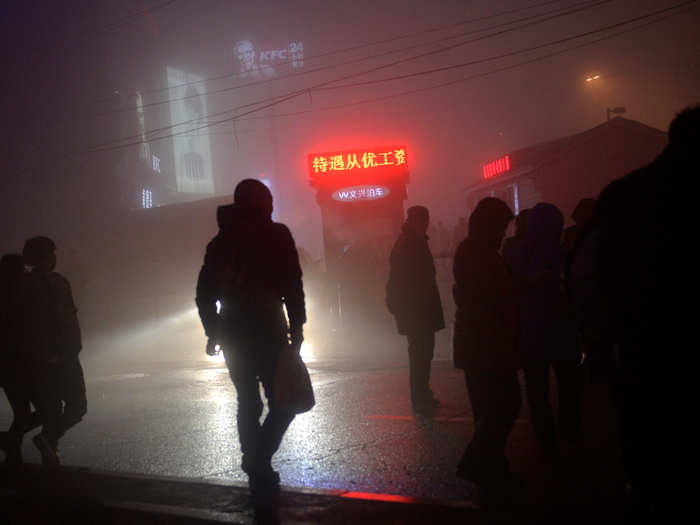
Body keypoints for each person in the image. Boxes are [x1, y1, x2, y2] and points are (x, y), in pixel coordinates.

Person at [591, 106, 698, 508]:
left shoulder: (623, 195)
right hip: (649, 335)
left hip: (637, 340)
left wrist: (599, 342)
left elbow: (599, 279)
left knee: (647, 440)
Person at [196, 179, 306, 512]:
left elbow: (204, 293)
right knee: (284, 402)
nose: (272, 204)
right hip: (269, 330)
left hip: (232, 333)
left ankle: (255, 462)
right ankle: (258, 459)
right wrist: (298, 325)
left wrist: (212, 331)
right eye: (268, 199)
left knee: (248, 400)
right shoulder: (277, 235)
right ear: (259, 202)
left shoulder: (220, 242)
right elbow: (292, 282)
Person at [452, 197, 520, 502]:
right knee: (504, 404)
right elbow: (490, 299)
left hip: (477, 342)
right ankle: (479, 462)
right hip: (486, 343)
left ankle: (491, 465)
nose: (504, 232)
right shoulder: (479, 254)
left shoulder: (473, 251)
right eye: (502, 226)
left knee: (489, 407)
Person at [507, 203, 583, 460]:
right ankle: (569, 435)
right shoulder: (562, 251)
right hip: (561, 330)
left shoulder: (517, 252)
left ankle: (547, 440)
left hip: (532, 332)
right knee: (569, 384)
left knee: (538, 390)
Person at [22, 236, 87, 467]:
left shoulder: (31, 283)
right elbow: (59, 320)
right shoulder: (50, 283)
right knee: (77, 406)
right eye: (51, 254)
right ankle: (48, 442)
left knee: (53, 408)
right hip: (60, 356)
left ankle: (49, 450)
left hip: (52, 356)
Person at [386, 206, 445, 415]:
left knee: (420, 353)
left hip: (416, 309)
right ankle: (420, 396)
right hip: (418, 309)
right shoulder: (411, 244)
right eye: (423, 220)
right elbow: (412, 281)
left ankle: (421, 394)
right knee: (421, 353)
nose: (426, 223)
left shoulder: (408, 243)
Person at [0, 254, 40, 465]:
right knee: (45, 410)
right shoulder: (19, 295)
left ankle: (12, 449)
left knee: (22, 412)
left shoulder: (8, 293)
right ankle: (10, 442)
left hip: (9, 364)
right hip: (20, 362)